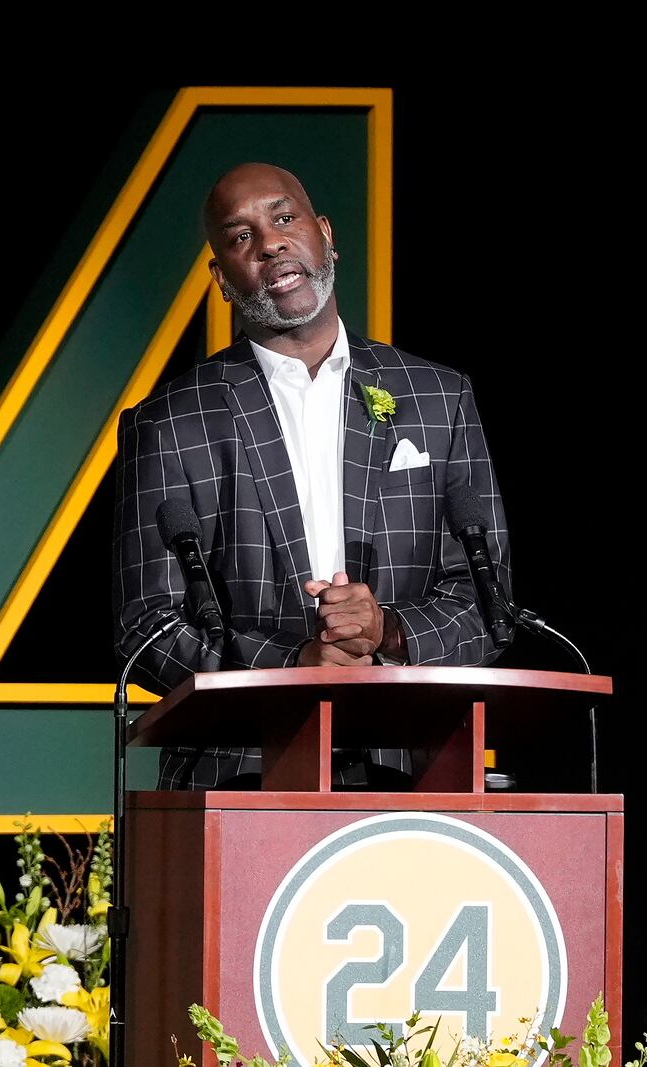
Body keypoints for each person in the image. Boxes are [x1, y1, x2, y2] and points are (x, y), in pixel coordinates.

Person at [112, 163, 509, 790]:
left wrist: (390, 630)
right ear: (221, 278)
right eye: (240, 237)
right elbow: (149, 627)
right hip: (236, 777)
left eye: (284, 218)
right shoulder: (169, 423)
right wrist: (292, 665)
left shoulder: (438, 398)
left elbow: (487, 603)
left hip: (411, 772)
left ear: (324, 234)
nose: (270, 243)